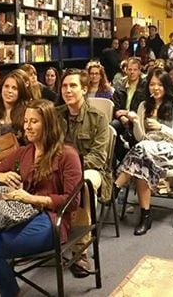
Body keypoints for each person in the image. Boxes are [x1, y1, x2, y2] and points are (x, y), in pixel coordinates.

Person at [0, 99, 83, 297]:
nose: (27, 126)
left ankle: (5, 292)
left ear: (48, 124)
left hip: (51, 220)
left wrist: (32, 199)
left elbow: (72, 201)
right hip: (20, 214)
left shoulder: (67, 154)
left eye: (34, 121)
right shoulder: (23, 152)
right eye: (26, 121)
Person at [114, 68, 173, 235]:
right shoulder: (144, 106)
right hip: (147, 150)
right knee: (142, 161)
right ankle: (145, 215)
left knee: (141, 150)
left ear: (166, 86)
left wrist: (161, 127)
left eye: (160, 85)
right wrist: (136, 122)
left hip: (171, 148)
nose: (155, 88)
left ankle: (116, 186)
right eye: (152, 84)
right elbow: (141, 137)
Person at [56, 69, 110, 276]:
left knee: (83, 184)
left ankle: (81, 252)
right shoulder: (55, 116)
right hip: (58, 169)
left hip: (90, 170)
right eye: (64, 86)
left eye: (73, 86)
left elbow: (98, 157)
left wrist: (70, 169)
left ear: (84, 90)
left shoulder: (98, 118)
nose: (67, 90)